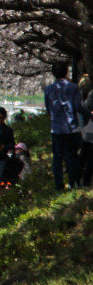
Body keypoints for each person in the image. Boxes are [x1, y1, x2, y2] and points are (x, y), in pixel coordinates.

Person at [44, 61, 92, 190]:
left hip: (56, 128)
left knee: (57, 157)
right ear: (66, 71)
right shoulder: (73, 87)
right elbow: (78, 106)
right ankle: (73, 182)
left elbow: (48, 109)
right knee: (72, 155)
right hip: (72, 127)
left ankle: (58, 185)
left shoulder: (48, 89)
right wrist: (89, 114)